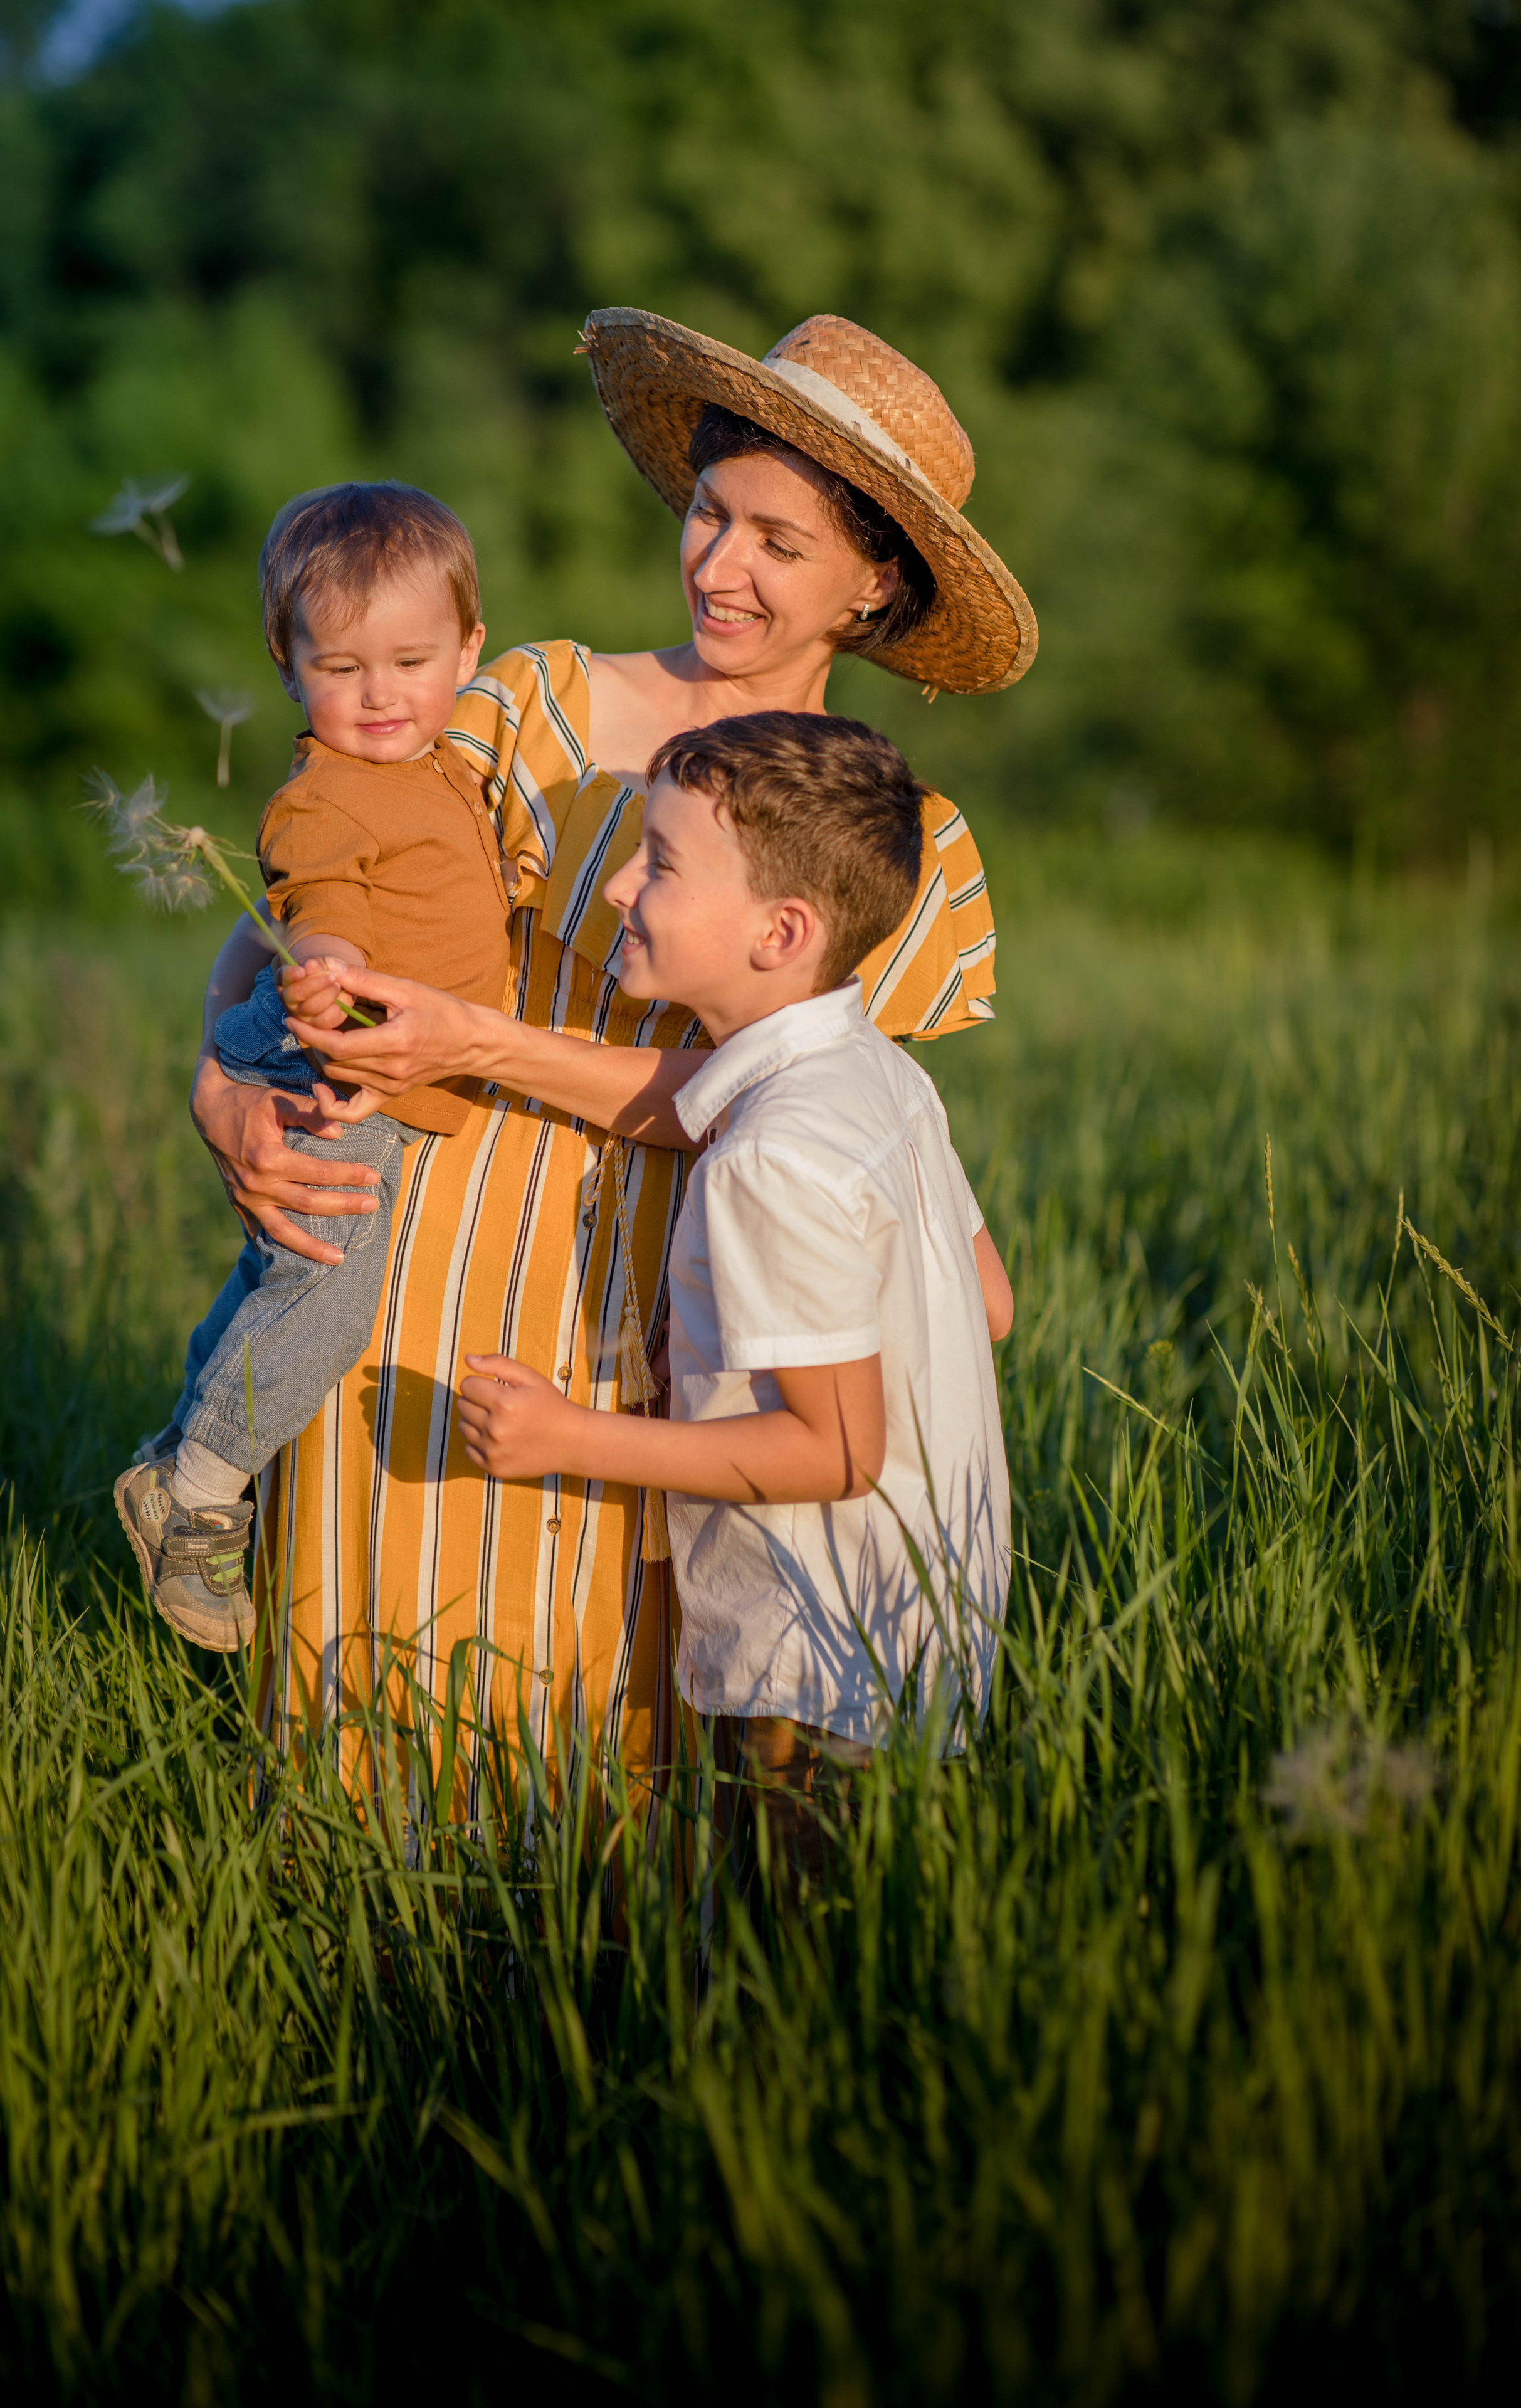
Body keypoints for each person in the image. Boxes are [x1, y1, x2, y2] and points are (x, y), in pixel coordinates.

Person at [188, 308, 1033, 1802]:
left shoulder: (899, 849)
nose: (717, 567)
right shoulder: (533, 705)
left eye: (780, 544)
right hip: (439, 1247)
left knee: (614, 1728)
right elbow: (306, 894)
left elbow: (796, 1114)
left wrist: (485, 1037)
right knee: (384, 1688)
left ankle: (577, 2010)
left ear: (873, 582)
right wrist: (218, 1078)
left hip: (687, 1297)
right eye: (713, 514)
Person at [454, 712, 1011, 1874]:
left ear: (781, 931)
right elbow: (989, 1303)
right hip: (918, 1632)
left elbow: (837, 1453)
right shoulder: (885, 1079)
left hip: (815, 1671)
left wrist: (566, 1435)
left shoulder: (770, 1150)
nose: (614, 889)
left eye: (658, 862)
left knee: (788, 1995)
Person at [115, 483, 508, 1650]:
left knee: (282, 1276)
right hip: (326, 1064)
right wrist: (325, 970)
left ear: (468, 651)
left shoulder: (440, 765)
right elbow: (324, 907)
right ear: (286, 665)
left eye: (411, 660)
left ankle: (178, 1449)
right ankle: (199, 1494)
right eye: (341, 667)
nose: (380, 694)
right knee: (327, 1297)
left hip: (326, 1059)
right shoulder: (327, 797)